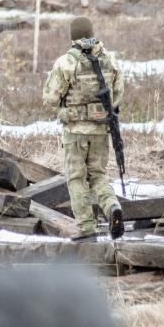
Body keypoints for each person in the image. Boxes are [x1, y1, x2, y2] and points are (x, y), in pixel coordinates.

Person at [42, 17, 124, 241]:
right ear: (91, 32)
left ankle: (87, 227)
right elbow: (117, 95)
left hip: (75, 131)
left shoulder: (66, 62)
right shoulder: (110, 60)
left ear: (72, 36)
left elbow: (50, 98)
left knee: (77, 178)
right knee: (97, 175)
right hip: (100, 131)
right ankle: (112, 207)